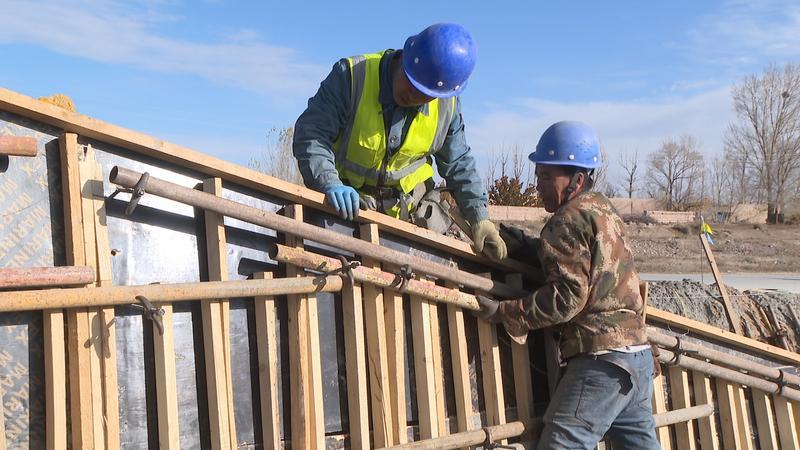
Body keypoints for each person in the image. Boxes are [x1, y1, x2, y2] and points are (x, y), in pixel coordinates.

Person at [475, 121, 659, 449]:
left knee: (561, 444)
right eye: (538, 175)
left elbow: (567, 298)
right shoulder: (603, 210)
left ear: (577, 179)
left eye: (547, 177)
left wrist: (506, 312)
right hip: (638, 359)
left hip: (602, 361)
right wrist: (531, 247)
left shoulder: (565, 220)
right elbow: (594, 266)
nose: (538, 186)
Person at [292, 23, 506, 262]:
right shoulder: (352, 77)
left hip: (410, 220)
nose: (415, 97)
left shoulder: (448, 107)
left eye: (426, 94)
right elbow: (311, 134)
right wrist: (328, 182)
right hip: (349, 210)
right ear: (405, 57)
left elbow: (458, 162)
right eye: (413, 84)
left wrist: (479, 216)